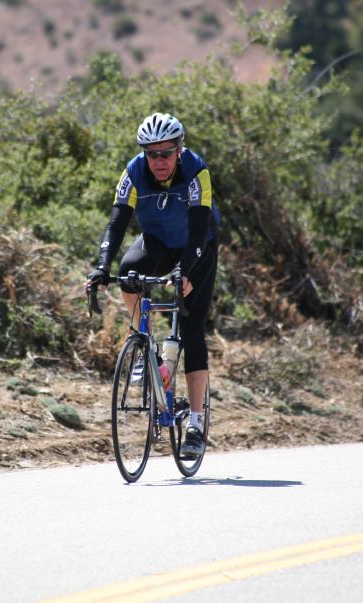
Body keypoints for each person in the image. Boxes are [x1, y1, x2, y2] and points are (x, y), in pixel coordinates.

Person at [86, 112, 220, 457]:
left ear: (179, 149)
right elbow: (117, 222)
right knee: (129, 272)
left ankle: (194, 422)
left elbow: (198, 226)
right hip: (159, 241)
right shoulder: (133, 171)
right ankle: (148, 349)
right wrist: (102, 266)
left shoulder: (196, 171)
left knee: (191, 328)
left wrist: (186, 271)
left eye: (166, 153)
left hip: (197, 245)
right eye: (151, 153)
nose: (158, 161)